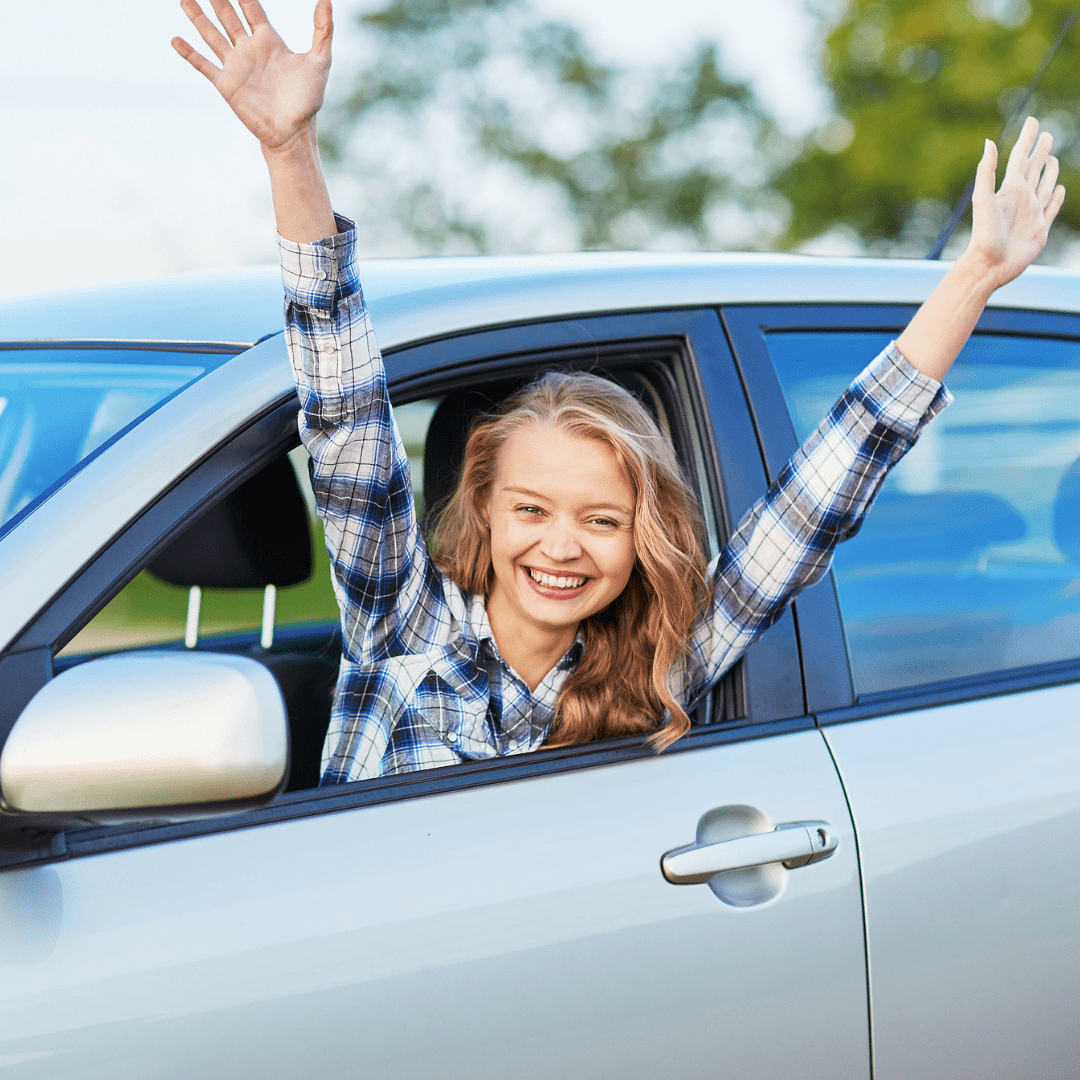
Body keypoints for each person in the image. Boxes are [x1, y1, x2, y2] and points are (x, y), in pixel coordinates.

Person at [174, 0, 1065, 784]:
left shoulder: (656, 669)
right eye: (531, 508)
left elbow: (815, 505)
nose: (561, 547)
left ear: (643, 537)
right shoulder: (404, 623)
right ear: (479, 507)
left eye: (602, 520)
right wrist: (290, 151)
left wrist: (975, 277)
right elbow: (345, 418)